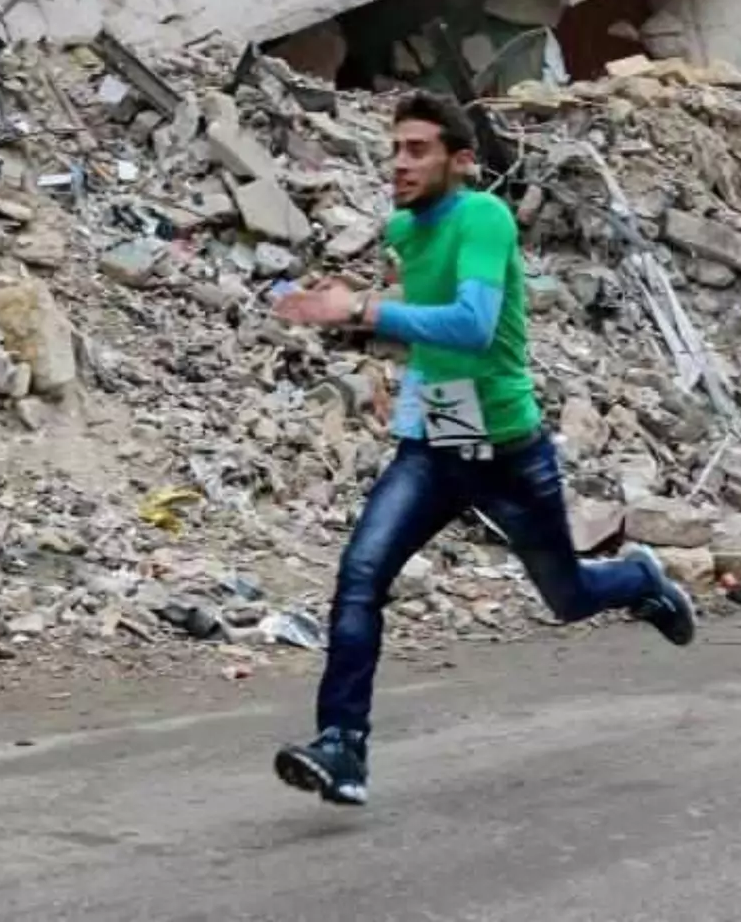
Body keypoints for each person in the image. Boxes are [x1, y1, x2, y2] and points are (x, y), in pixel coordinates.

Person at [268, 91, 696, 806]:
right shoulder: (404, 227)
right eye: (394, 148)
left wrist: (364, 309)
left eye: (417, 149)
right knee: (360, 576)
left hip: (507, 448)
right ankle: (342, 746)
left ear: (461, 160)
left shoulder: (485, 217)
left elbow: (472, 325)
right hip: (439, 439)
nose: (399, 162)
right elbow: (420, 316)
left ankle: (639, 579)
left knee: (567, 597)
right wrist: (343, 312)